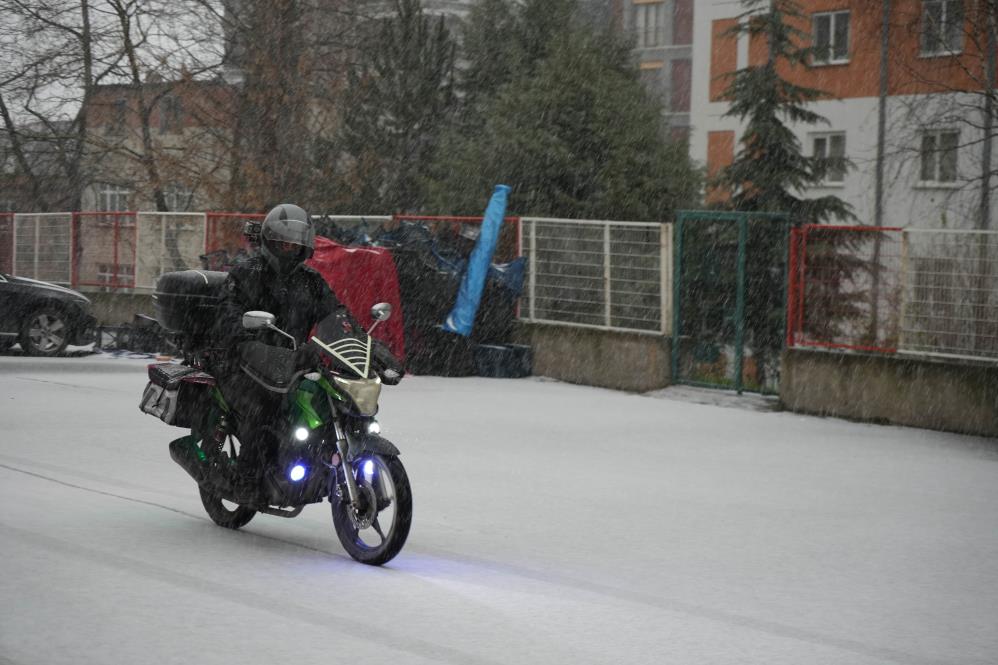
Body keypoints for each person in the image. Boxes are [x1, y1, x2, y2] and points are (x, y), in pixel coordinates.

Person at [209, 203, 402, 489]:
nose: (290, 248)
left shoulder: (310, 281)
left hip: (294, 363)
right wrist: (262, 347)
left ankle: (317, 458)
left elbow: (336, 314)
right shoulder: (246, 275)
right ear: (269, 242)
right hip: (241, 364)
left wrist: (368, 345)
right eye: (283, 242)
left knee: (330, 398)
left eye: (296, 243)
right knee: (265, 409)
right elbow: (229, 324)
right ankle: (247, 479)